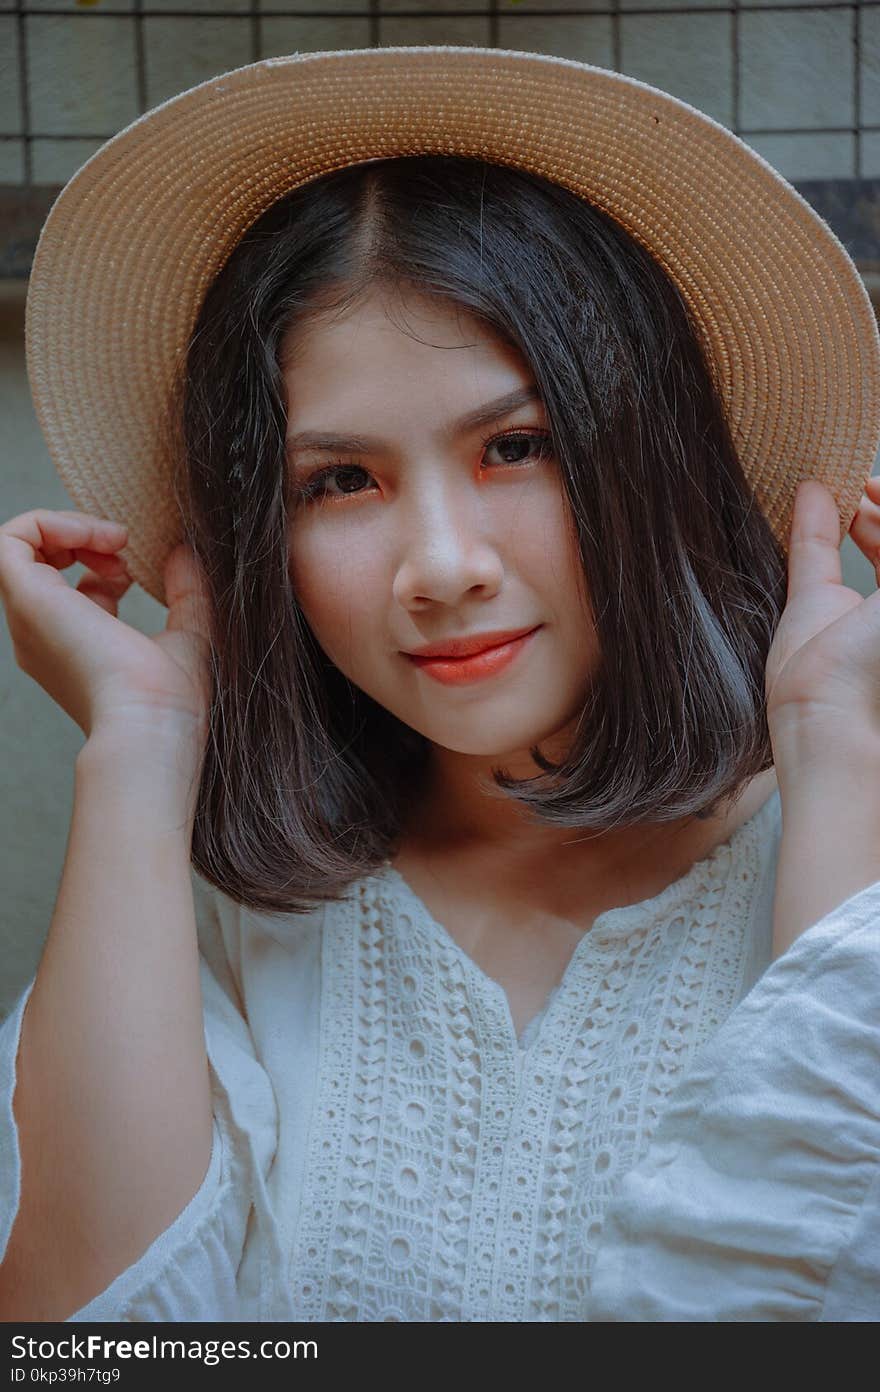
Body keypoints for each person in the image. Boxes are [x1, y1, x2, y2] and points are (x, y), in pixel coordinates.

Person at [0, 46, 879, 1322]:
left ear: (655, 452)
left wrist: (836, 754)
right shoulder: (214, 923)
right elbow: (86, 1347)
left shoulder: (843, 850)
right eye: (338, 482)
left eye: (516, 448)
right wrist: (139, 750)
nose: (441, 567)